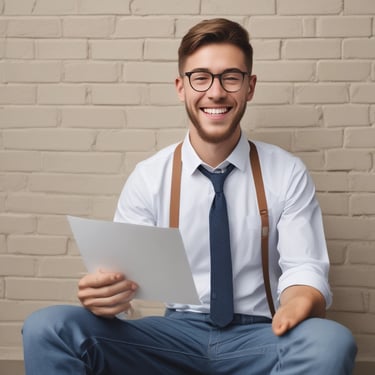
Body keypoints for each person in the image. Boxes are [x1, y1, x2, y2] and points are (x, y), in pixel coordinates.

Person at [23, 18, 357, 374]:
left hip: (261, 337)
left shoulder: (286, 172)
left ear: (250, 87)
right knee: (49, 327)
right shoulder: (150, 177)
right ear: (181, 87)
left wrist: (296, 304)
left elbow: (304, 268)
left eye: (231, 77)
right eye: (201, 77)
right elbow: (122, 286)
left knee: (331, 341)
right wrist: (106, 298)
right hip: (172, 338)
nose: (215, 92)